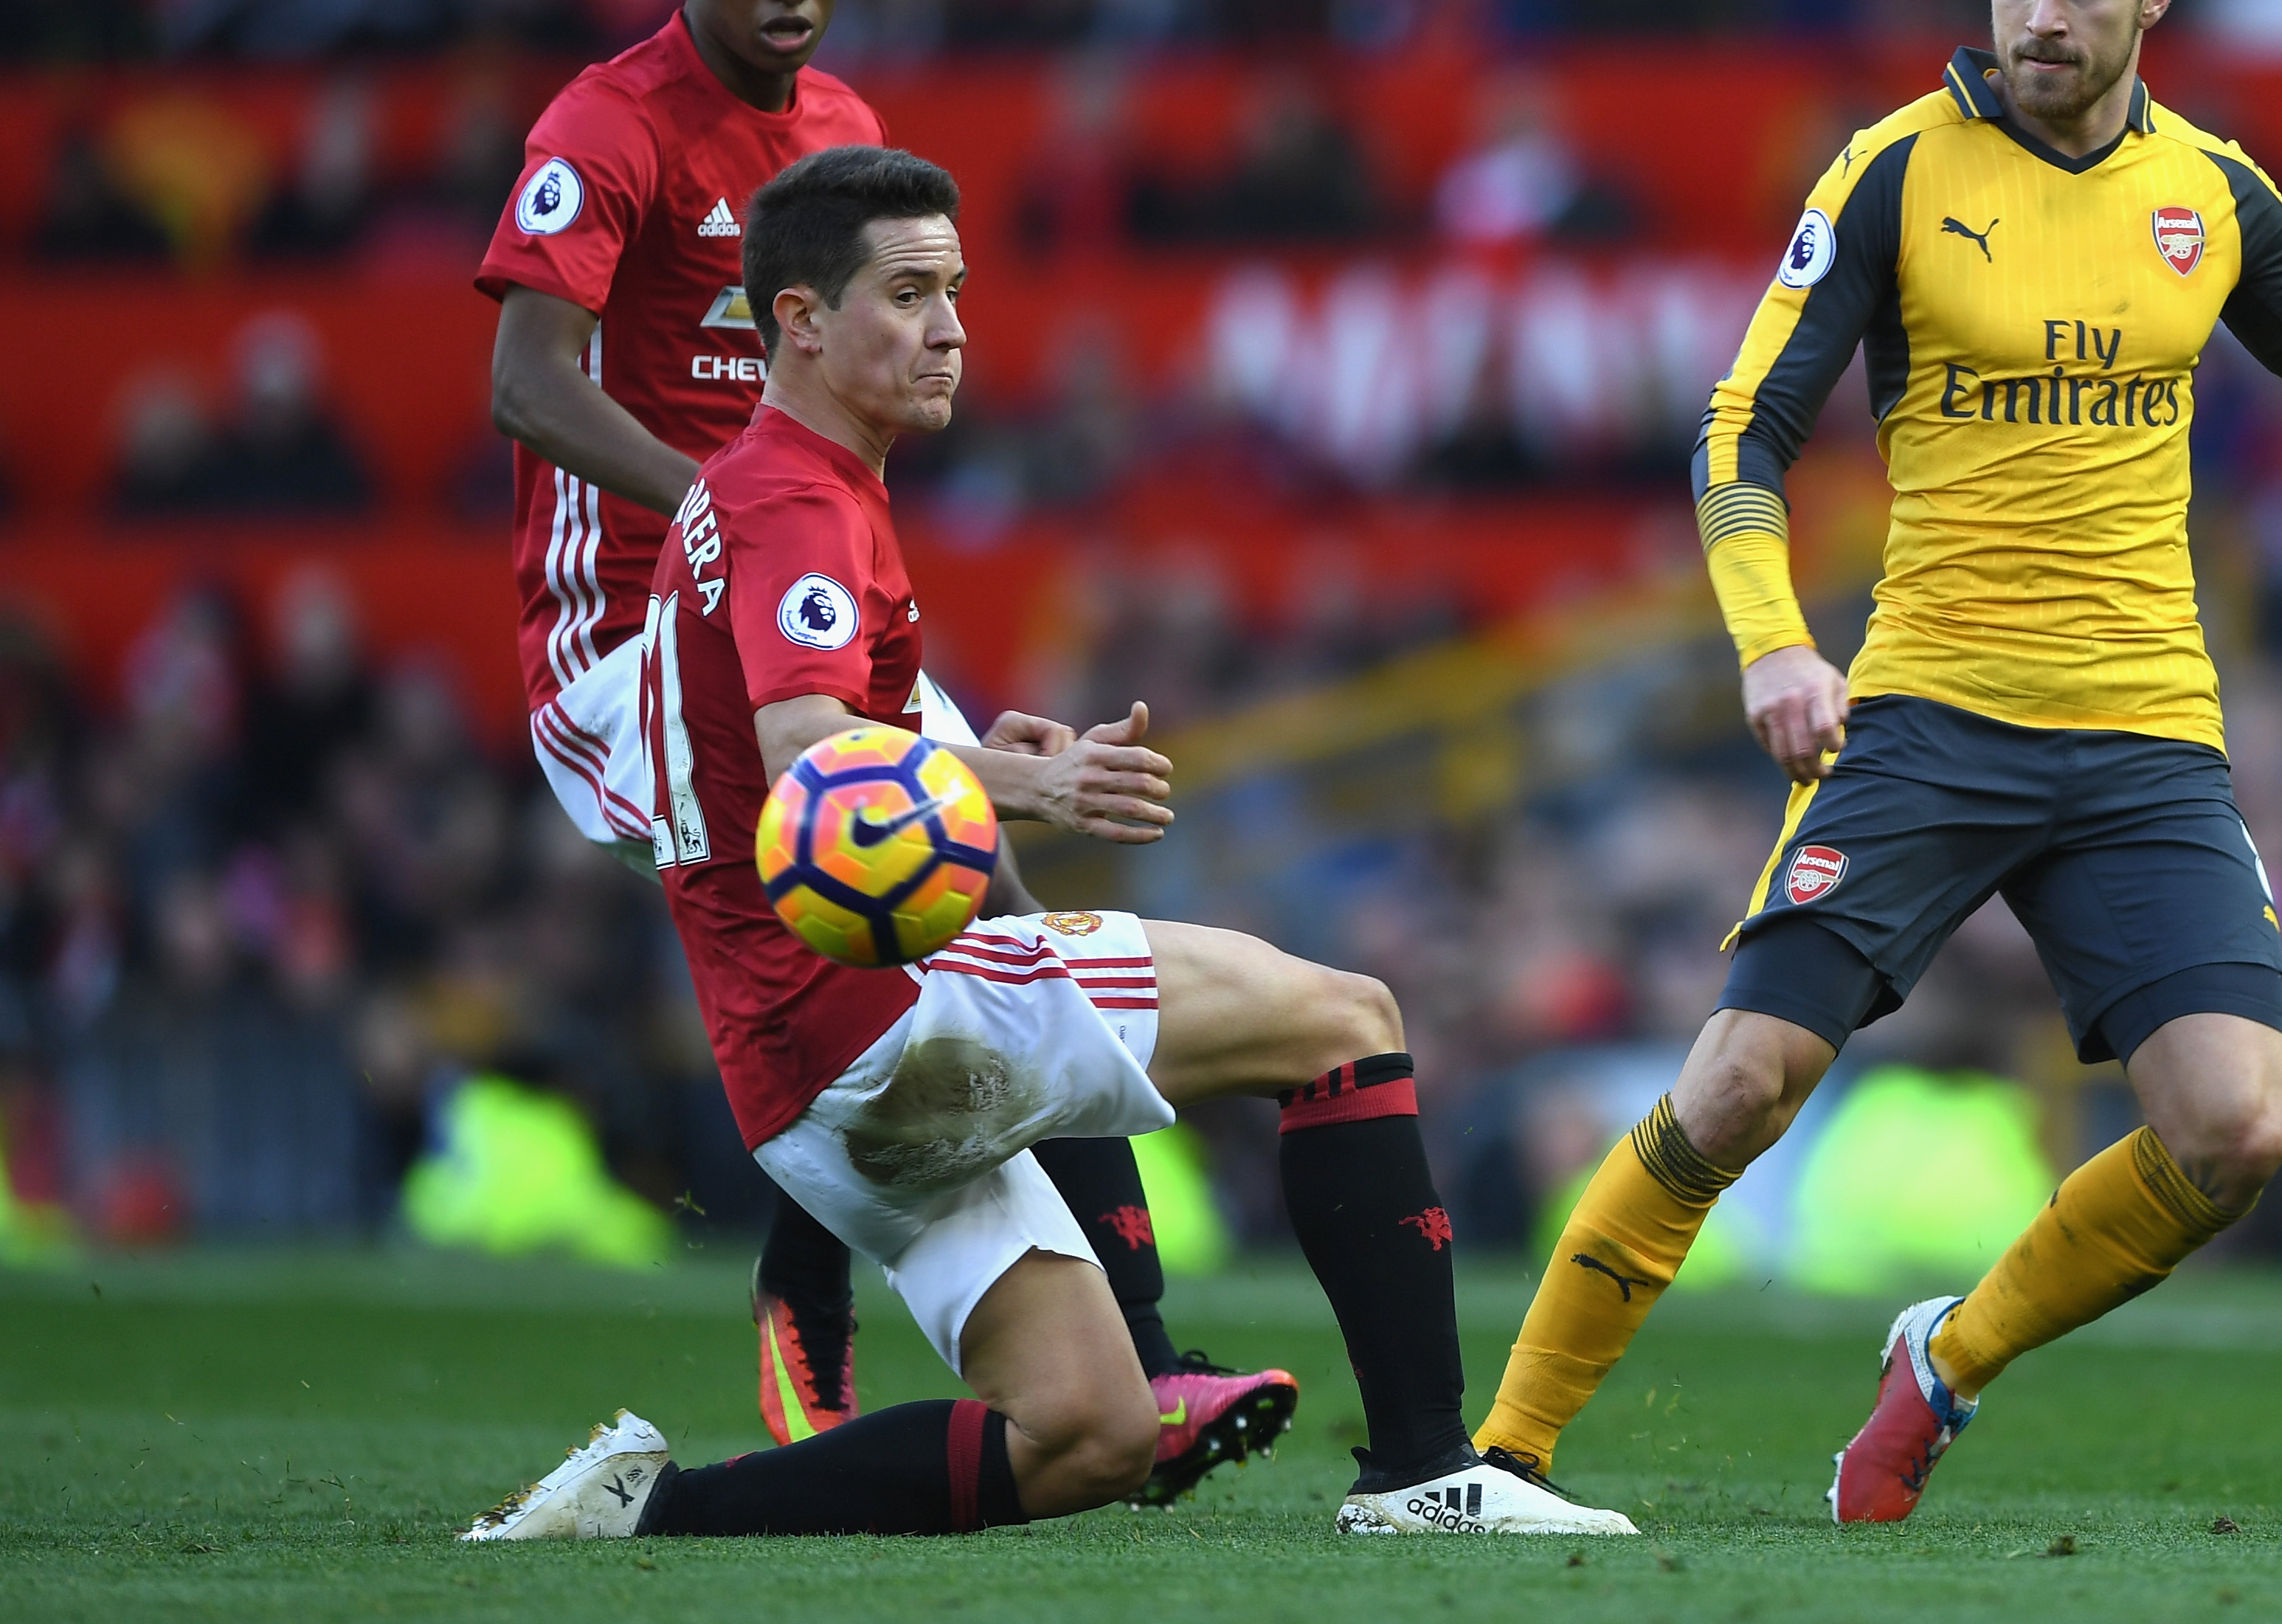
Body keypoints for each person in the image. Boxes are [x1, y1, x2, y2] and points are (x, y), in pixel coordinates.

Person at [1470, 0, 2282, 1522]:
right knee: (1740, 1083)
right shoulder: (1890, 176)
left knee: (2235, 1133)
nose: (2039, 15)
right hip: (1926, 717)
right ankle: (1502, 1459)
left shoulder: (2211, 192)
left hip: (2141, 742)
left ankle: (1947, 1360)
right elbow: (1741, 433)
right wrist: (1771, 638)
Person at [463, 147, 1634, 1541]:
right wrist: (1038, 788)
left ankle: (643, 1513)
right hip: (885, 1023)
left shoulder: (752, 488)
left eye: (954, 289)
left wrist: (962, 756)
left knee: (1090, 1434)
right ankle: (1427, 1468)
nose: (949, 325)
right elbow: (809, 763)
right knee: (1345, 1020)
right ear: (797, 320)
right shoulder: (793, 502)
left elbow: (806, 737)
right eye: (906, 293)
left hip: (794, 1080)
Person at [475, 0, 1282, 1498]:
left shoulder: (840, 132)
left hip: (783, 602)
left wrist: (784, 537)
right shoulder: (605, 126)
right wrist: (731, 512)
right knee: (838, 900)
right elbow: (527, 385)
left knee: (982, 890)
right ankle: (814, 1295)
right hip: (623, 651)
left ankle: (1134, 1349)